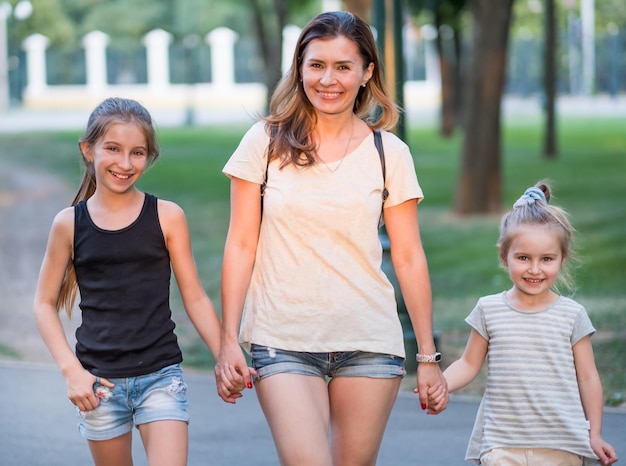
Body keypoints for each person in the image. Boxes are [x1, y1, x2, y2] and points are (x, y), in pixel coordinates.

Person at [214, 10, 447, 466]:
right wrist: (228, 340)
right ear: (299, 68)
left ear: (367, 73)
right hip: (282, 339)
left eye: (343, 66)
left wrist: (428, 356)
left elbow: (408, 256)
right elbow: (240, 244)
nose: (328, 79)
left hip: (370, 340)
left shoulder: (389, 153)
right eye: (316, 64)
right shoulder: (263, 143)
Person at [33, 97, 228, 466]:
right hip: (99, 386)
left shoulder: (168, 217)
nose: (125, 163)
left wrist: (224, 356)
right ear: (88, 150)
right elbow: (43, 304)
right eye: (113, 149)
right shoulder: (68, 224)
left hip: (161, 377)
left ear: (148, 156)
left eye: (137, 152)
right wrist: (72, 372)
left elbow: (197, 299)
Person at [427, 181, 619, 466]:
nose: (534, 268)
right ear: (504, 256)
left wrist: (595, 434)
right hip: (502, 443)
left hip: (562, 444)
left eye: (547, 259)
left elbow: (588, 378)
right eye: (523, 257)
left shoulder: (572, 315)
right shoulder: (488, 309)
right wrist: (441, 384)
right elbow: (468, 364)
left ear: (561, 260)